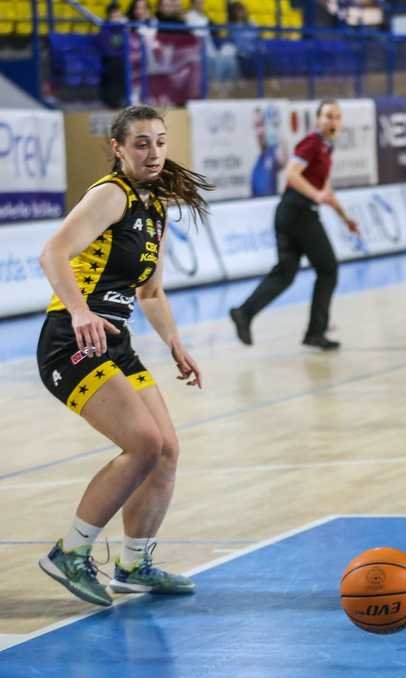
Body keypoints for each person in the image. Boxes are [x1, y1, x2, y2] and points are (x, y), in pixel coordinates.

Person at [36, 105, 213, 607]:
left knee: (166, 450)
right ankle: (70, 552)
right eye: (141, 143)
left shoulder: (154, 208)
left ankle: (135, 565)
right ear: (118, 148)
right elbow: (52, 253)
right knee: (143, 443)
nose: (154, 152)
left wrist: (175, 342)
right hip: (71, 341)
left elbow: (150, 292)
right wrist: (79, 311)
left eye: (160, 141)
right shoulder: (110, 194)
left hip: (115, 342)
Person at [229, 100, 360, 350]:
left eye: (337, 117)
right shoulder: (311, 143)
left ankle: (244, 313)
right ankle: (315, 332)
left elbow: (326, 191)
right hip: (299, 212)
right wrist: (316, 195)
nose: (332, 121)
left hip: (290, 213)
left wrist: (346, 219)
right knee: (328, 269)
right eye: (328, 116)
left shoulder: (326, 149)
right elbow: (291, 173)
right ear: (318, 119)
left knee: (286, 273)